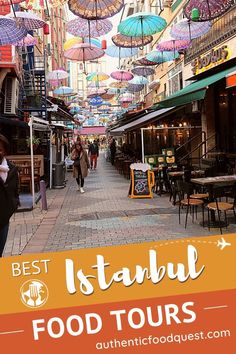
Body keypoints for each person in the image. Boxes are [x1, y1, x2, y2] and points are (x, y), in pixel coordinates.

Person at [0, 134, 20, 257]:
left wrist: (13, 205)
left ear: (5, 151)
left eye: (0, 149)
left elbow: (15, 190)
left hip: (3, 220)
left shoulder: (12, 169)